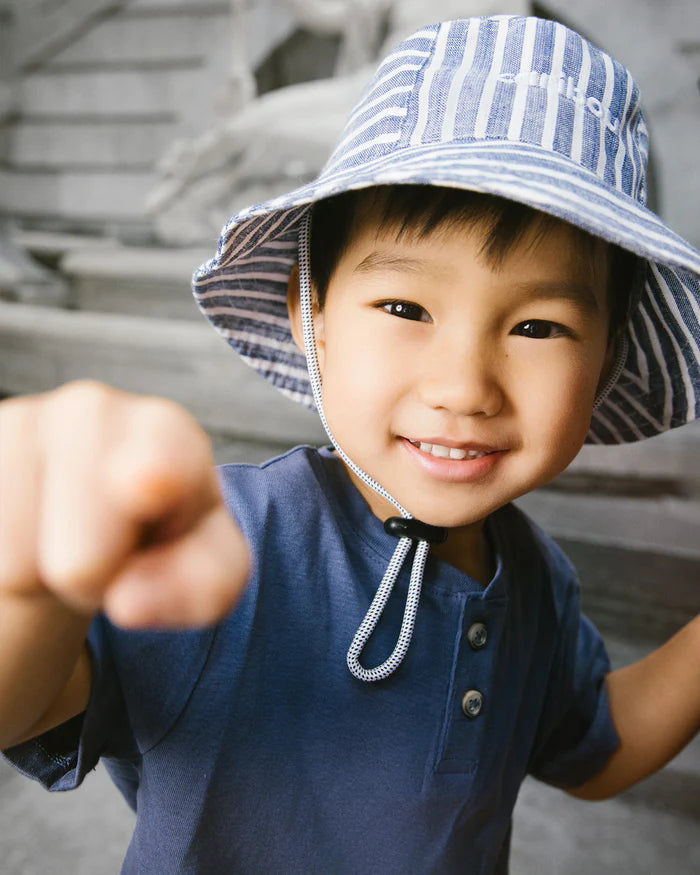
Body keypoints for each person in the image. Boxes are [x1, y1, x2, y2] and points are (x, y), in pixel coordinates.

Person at [1, 14, 699, 873]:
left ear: (607, 362)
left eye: (538, 324)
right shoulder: (234, 538)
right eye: (405, 308)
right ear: (311, 315)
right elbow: (26, 703)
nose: (463, 385)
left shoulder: (538, 581)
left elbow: (598, 746)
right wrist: (29, 581)